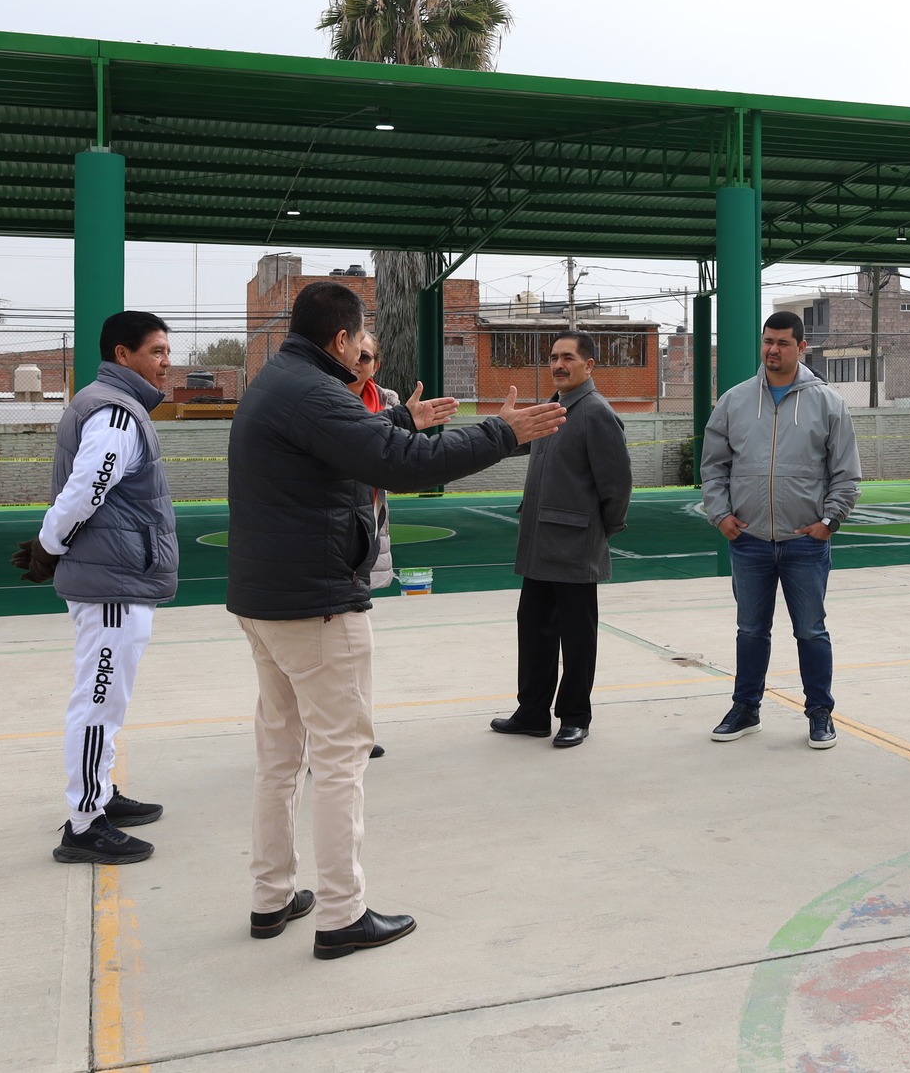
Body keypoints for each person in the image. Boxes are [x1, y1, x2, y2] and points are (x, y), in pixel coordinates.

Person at [227, 281, 565, 959]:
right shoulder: (317, 392)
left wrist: (403, 420)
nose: (363, 348)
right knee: (340, 759)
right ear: (340, 339)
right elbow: (402, 465)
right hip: (317, 604)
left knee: (282, 756)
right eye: (360, 337)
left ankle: (271, 895)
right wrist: (503, 432)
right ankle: (341, 913)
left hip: (268, 599)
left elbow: (355, 445)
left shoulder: (278, 382)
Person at [12, 311, 179, 867]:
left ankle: (100, 793)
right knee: (99, 701)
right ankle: (84, 822)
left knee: (107, 698)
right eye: (156, 351)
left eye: (167, 351)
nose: (166, 362)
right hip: (113, 583)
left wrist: (49, 545)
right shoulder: (116, 414)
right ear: (122, 354)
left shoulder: (109, 405)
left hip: (116, 577)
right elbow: (88, 488)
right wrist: (48, 546)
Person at [699, 312, 861, 750]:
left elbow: (846, 473)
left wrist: (828, 522)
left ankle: (819, 712)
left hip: (804, 542)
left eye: (783, 343)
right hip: (748, 541)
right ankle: (746, 708)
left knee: (811, 631)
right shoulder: (734, 401)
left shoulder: (828, 403)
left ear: (802, 347)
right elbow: (713, 466)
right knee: (751, 631)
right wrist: (720, 514)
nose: (772, 350)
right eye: (768, 341)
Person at [490, 331, 634, 749]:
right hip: (540, 543)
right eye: (553, 357)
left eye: (568, 357)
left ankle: (575, 716)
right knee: (533, 630)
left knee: (576, 638)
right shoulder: (552, 409)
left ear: (589, 365)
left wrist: (602, 530)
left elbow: (617, 484)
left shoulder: (595, 412)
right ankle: (532, 713)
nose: (558, 364)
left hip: (575, 547)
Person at [349, 333, 441, 761]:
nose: (357, 363)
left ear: (377, 364)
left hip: (367, 531)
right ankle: (327, 738)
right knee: (332, 650)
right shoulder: (320, 401)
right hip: (330, 537)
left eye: (366, 357)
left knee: (356, 648)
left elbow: (402, 464)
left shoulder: (387, 403)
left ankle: (354, 732)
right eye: (352, 354)